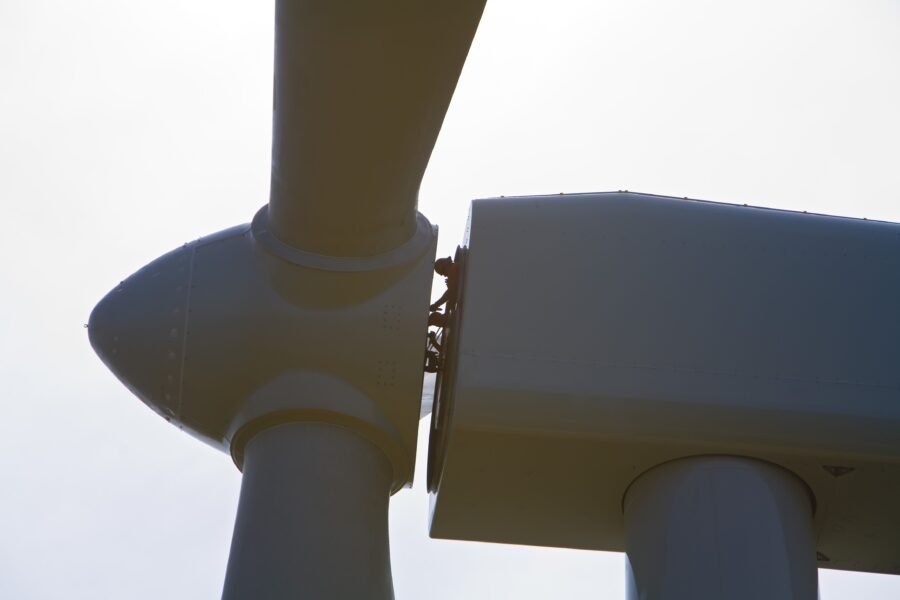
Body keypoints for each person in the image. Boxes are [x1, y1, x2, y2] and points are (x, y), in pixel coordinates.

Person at [428, 257, 458, 328]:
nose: (444, 275)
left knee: (434, 317)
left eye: (443, 272)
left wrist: (436, 305)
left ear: (446, 265)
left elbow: (450, 293)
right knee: (434, 317)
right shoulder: (454, 269)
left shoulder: (453, 269)